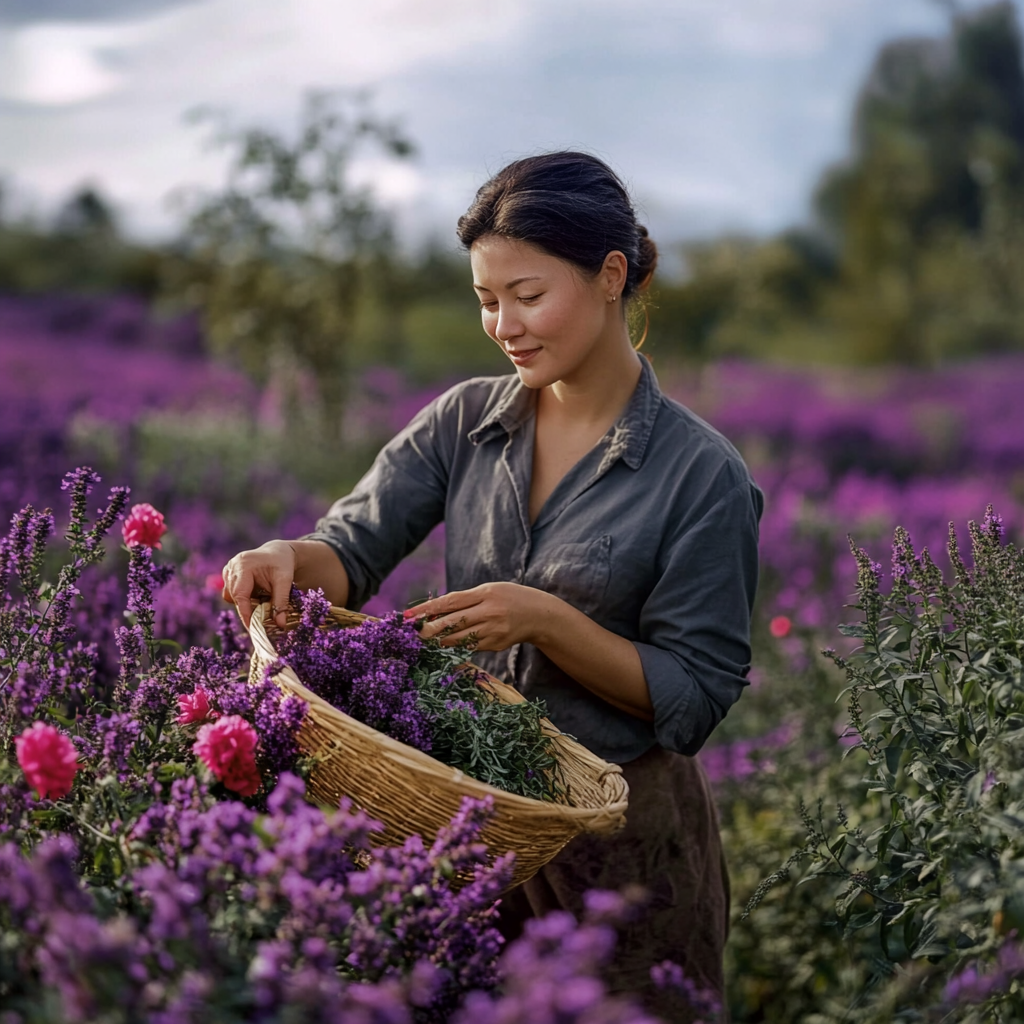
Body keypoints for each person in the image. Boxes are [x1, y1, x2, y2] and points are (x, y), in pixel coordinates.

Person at [222, 151, 763, 1021]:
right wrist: (288, 556)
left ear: (610, 276)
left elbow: (695, 699)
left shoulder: (702, 476)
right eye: (485, 299)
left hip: (621, 863)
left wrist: (548, 622)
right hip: (465, 834)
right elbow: (351, 549)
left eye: (528, 294)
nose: (503, 324)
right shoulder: (464, 422)